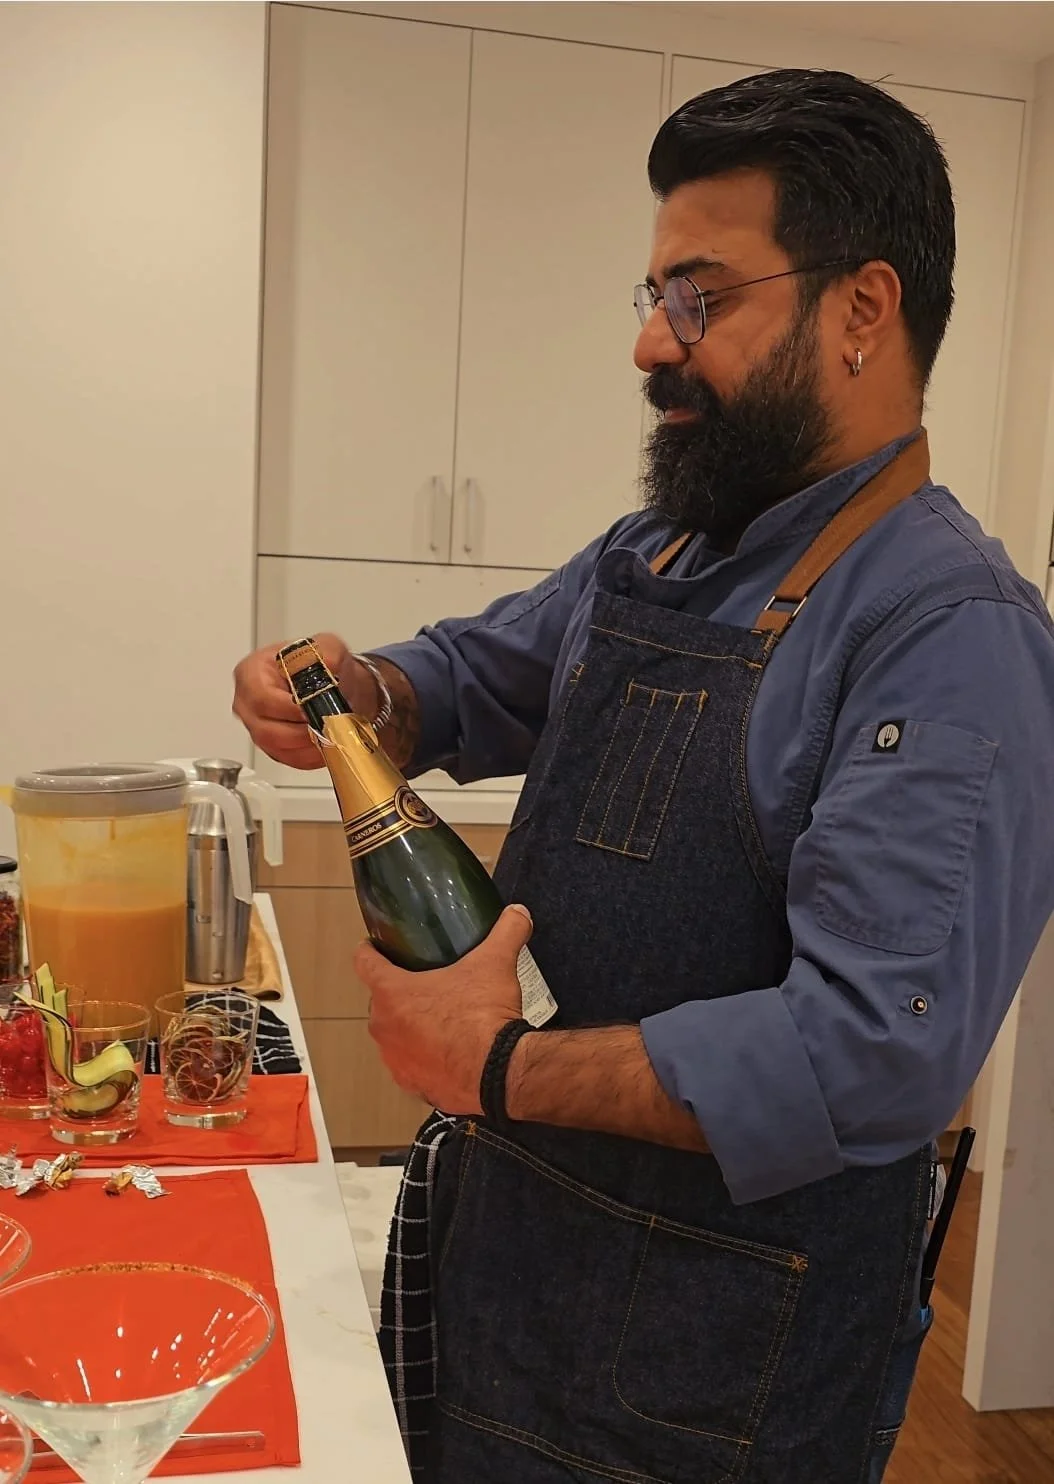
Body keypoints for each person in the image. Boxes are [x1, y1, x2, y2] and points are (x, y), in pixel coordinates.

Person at [234, 69, 1054, 1484]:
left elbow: (874, 1055)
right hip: (522, 1261)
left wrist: (493, 1062)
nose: (646, 346)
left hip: (715, 1365)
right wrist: (359, 690)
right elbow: (483, 670)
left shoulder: (945, 632)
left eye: (700, 296)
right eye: (650, 293)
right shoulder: (662, 552)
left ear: (862, 310)